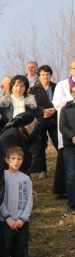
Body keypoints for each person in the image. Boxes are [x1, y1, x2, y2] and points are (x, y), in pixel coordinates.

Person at [0, 146, 32, 257]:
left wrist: (22, 219)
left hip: (21, 222)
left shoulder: (26, 179)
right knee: (5, 250)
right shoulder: (2, 176)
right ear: (7, 160)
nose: (16, 161)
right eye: (13, 159)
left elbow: (29, 200)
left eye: (19, 159)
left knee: (20, 250)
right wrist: (8, 218)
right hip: (5, 222)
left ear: (22, 160)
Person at [28, 65, 57, 180]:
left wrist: (54, 109)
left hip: (54, 119)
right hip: (41, 119)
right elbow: (32, 104)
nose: (45, 77)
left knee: (58, 143)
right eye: (43, 75)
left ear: (50, 75)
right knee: (41, 146)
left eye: (48, 74)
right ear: (39, 76)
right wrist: (43, 110)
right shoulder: (33, 89)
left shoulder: (56, 87)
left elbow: (60, 100)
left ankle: (62, 167)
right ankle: (43, 170)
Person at [52, 59, 75, 194]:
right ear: (70, 70)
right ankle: (63, 190)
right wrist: (71, 99)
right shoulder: (62, 85)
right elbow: (56, 103)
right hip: (67, 124)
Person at [58, 82, 75, 213]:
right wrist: (72, 137)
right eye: (74, 91)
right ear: (71, 92)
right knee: (71, 176)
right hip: (70, 146)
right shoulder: (65, 109)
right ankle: (72, 204)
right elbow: (62, 126)